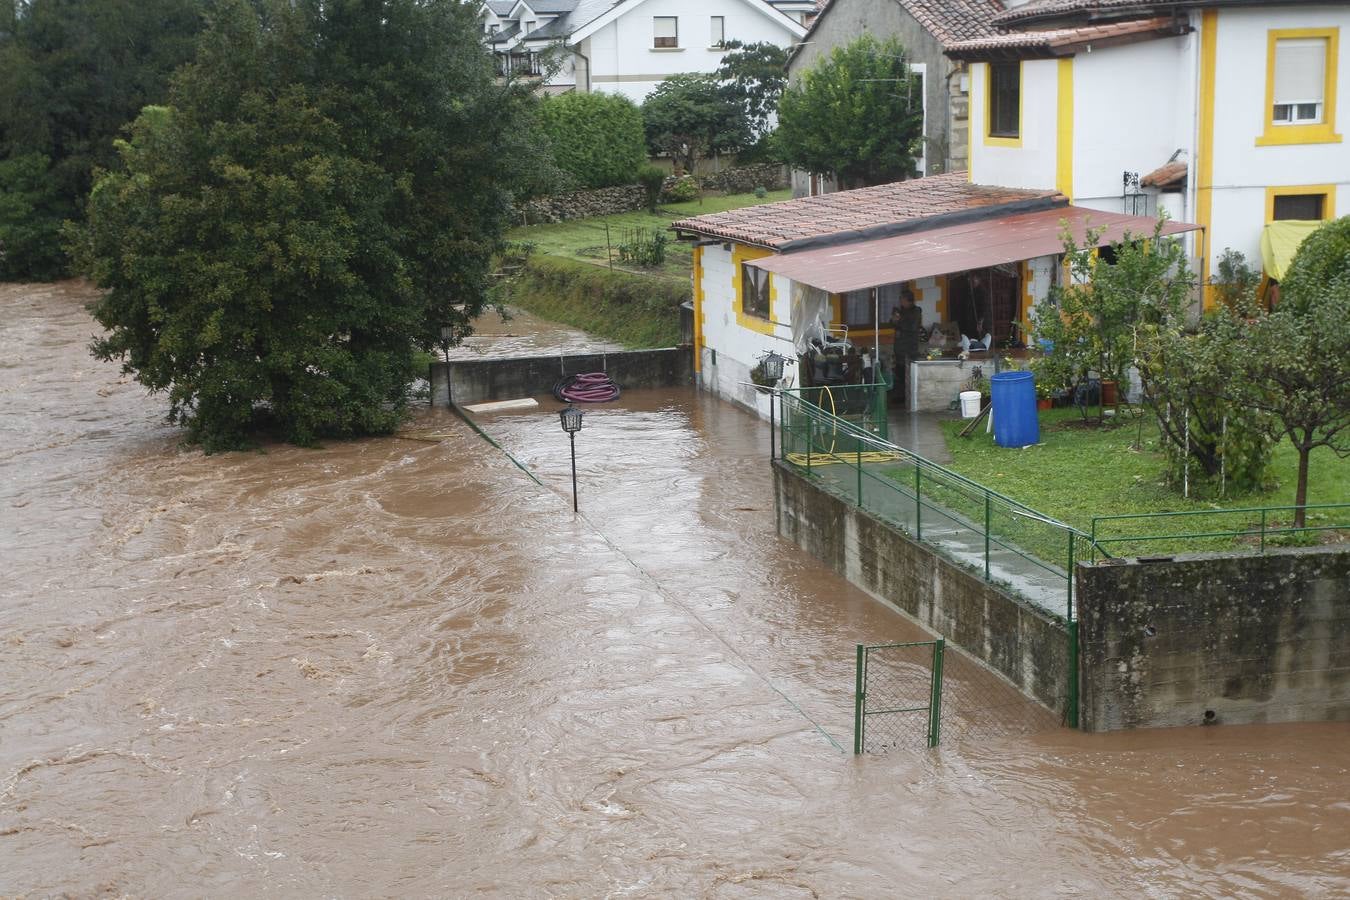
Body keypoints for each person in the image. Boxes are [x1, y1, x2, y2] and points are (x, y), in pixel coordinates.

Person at [892, 289, 924, 404]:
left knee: (908, 373)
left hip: (910, 348)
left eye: (902, 299)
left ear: (908, 300)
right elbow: (894, 324)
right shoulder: (901, 311)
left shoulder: (916, 311)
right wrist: (894, 320)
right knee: (899, 373)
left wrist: (899, 321)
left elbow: (912, 327)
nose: (900, 302)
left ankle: (909, 397)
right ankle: (900, 397)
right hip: (899, 347)